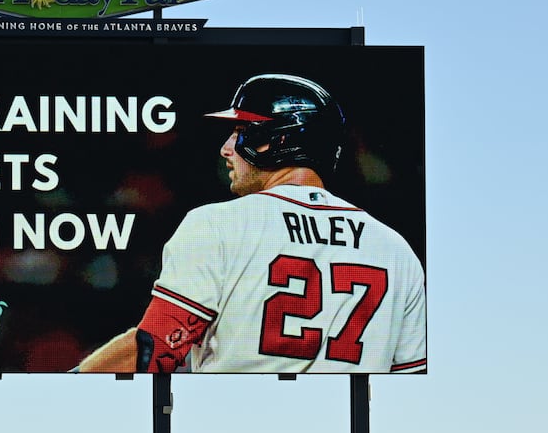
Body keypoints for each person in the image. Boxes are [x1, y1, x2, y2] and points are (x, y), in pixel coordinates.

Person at [76, 73, 426, 374]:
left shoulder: (218, 224)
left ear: (281, 140)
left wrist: (65, 386)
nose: (227, 148)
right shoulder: (396, 249)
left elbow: (154, 349)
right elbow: (409, 384)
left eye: (241, 131)